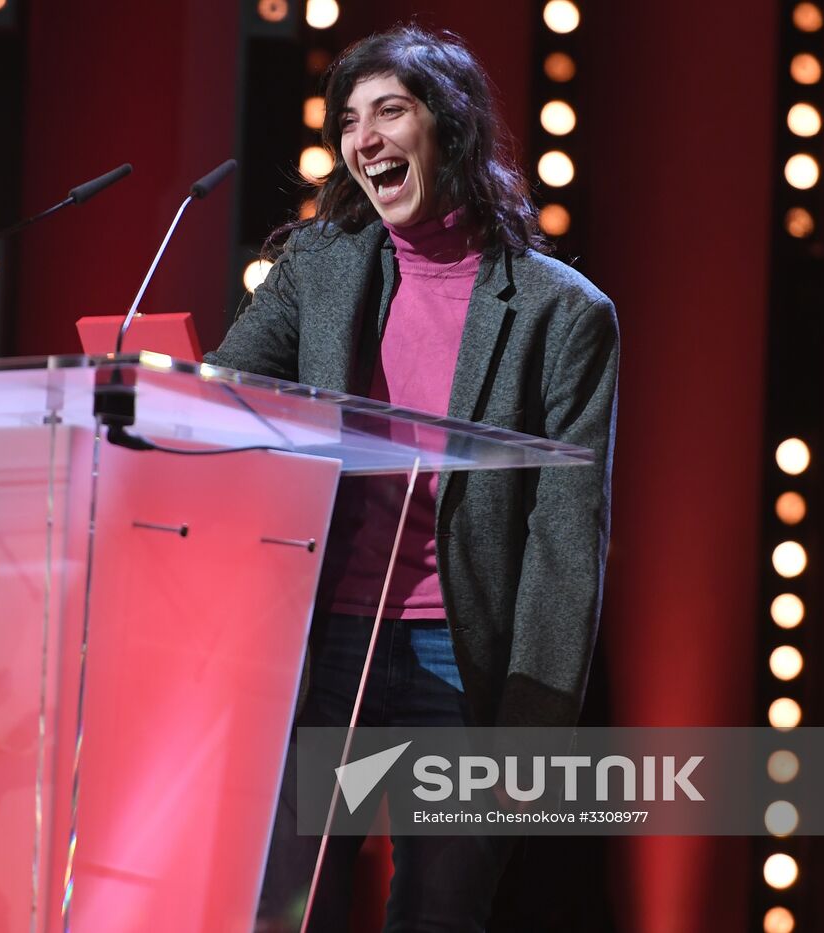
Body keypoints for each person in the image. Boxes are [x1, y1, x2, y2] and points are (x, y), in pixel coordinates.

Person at [204, 24, 618, 933]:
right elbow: (227, 391)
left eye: (390, 110)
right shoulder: (317, 268)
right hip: (327, 644)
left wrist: (534, 732)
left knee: (437, 913)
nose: (365, 137)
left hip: (456, 660)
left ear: (451, 127)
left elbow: (565, 536)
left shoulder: (562, 313)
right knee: (289, 909)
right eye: (349, 120)